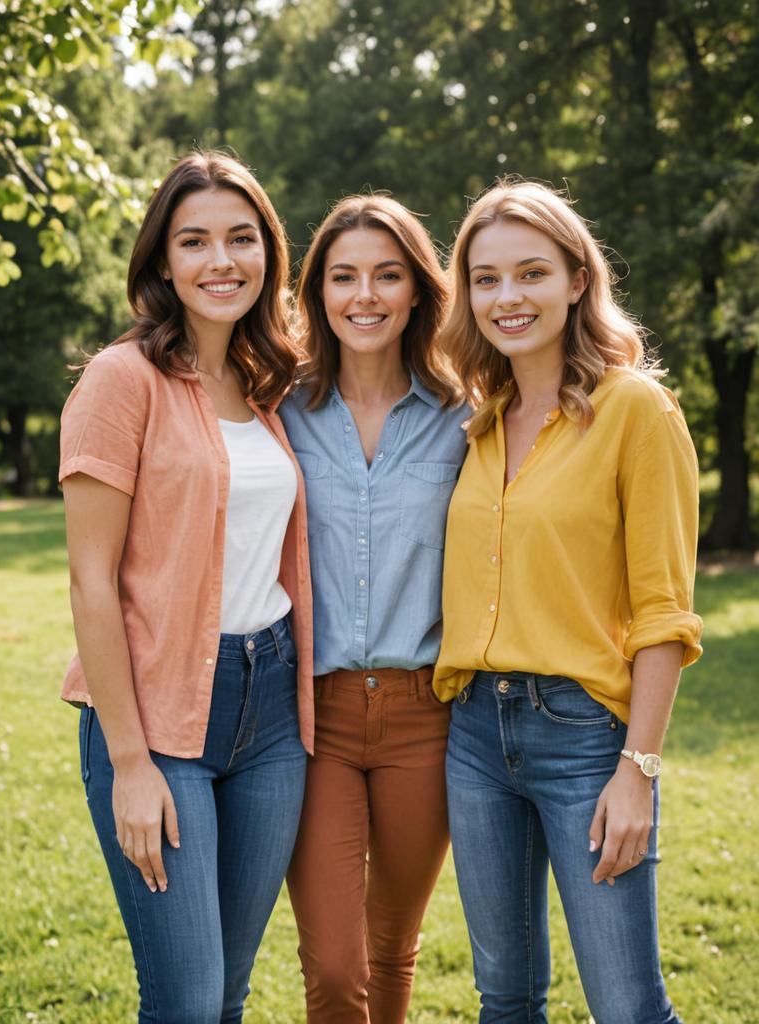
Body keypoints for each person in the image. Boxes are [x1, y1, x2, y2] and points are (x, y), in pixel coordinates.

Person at [433, 179, 703, 1024]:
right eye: (484, 279)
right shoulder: (483, 419)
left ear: (578, 280)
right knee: (503, 999)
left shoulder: (636, 410)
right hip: (475, 735)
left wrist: (639, 772)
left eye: (531, 273)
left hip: (585, 739)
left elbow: (665, 612)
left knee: (627, 1005)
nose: (506, 298)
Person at [59, 150, 313, 1024]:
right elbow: (91, 581)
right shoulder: (120, 379)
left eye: (242, 239)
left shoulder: (269, 380)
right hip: (159, 715)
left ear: (268, 256)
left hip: (272, 710)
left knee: (230, 989)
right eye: (194, 240)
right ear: (162, 261)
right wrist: (129, 764)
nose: (221, 261)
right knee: (188, 998)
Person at [279, 194, 469, 1024]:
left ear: (419, 291)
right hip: (307, 718)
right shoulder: (276, 409)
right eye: (344, 276)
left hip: (424, 713)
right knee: (332, 964)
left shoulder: (466, 417)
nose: (365, 295)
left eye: (388, 275)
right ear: (317, 291)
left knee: (392, 950)